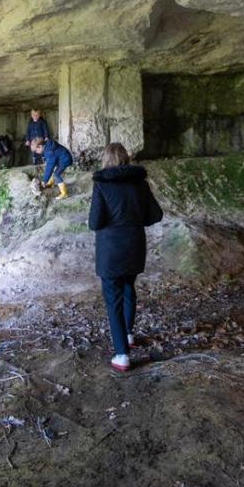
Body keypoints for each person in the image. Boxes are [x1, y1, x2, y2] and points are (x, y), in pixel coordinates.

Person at [88, 143, 163, 372]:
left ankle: (122, 355)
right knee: (129, 287)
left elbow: (94, 222)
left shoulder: (102, 184)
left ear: (106, 160)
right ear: (126, 158)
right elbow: (155, 215)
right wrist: (133, 219)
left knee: (113, 299)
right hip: (134, 245)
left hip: (111, 250)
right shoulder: (139, 183)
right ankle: (128, 335)